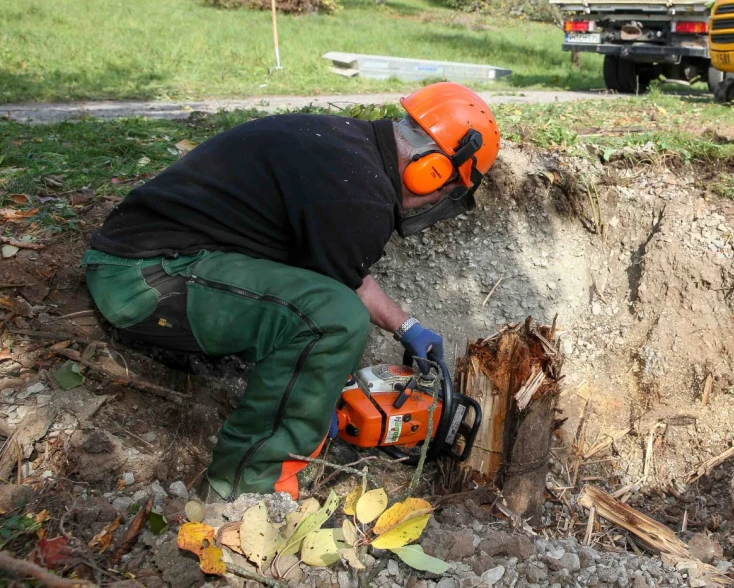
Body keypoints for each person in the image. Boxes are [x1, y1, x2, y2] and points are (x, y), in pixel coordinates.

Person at [81, 83, 500, 499]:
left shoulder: (349, 150)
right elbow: (339, 298)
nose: (436, 198)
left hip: (157, 259)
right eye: (446, 188)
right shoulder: (361, 197)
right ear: (434, 170)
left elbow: (342, 272)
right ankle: (251, 490)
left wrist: (406, 326)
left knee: (330, 308)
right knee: (334, 322)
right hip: (142, 280)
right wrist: (310, 408)